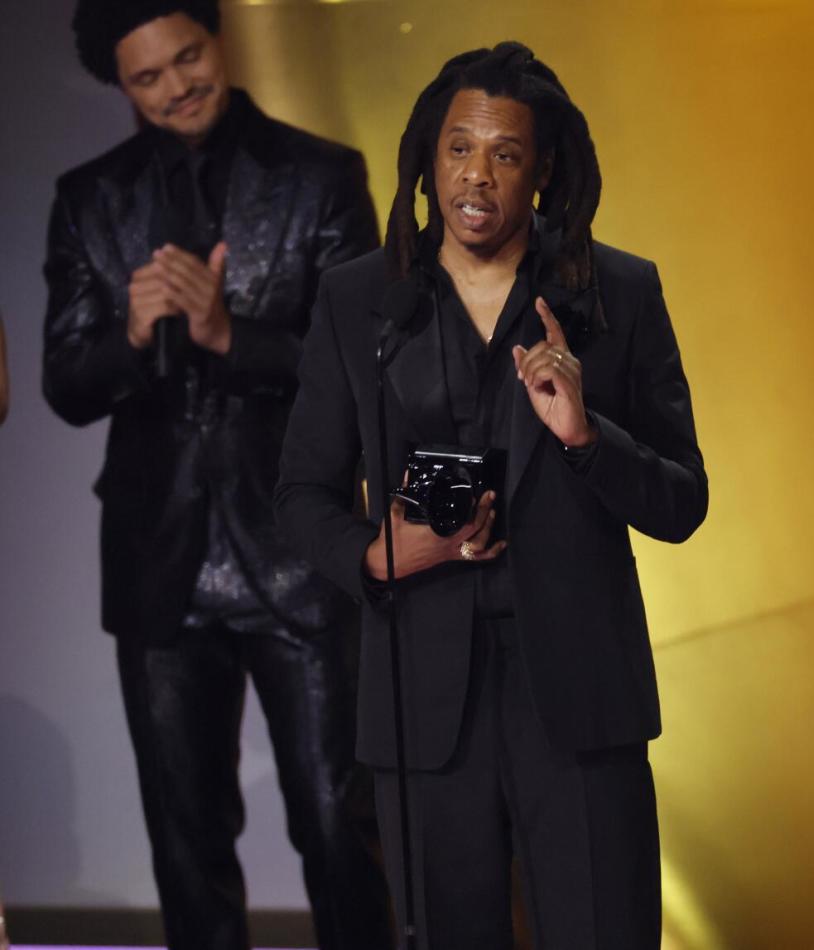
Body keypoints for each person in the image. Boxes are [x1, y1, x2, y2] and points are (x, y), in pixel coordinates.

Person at [276, 41, 708, 949]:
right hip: (420, 702)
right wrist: (374, 556)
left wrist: (589, 437)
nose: (478, 175)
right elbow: (301, 495)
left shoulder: (615, 292)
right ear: (429, 159)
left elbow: (681, 502)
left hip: (581, 700)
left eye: (505, 154)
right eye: (459, 148)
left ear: (543, 170)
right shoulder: (362, 301)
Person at [42, 3, 392, 947]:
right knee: (186, 839)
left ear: (217, 42)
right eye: (146, 77)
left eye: (186, 58)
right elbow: (64, 387)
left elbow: (365, 366)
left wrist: (229, 335)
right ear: (122, 85)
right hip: (159, 560)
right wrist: (126, 334)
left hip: (299, 554)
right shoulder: (90, 199)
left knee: (339, 829)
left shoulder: (320, 177)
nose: (174, 88)